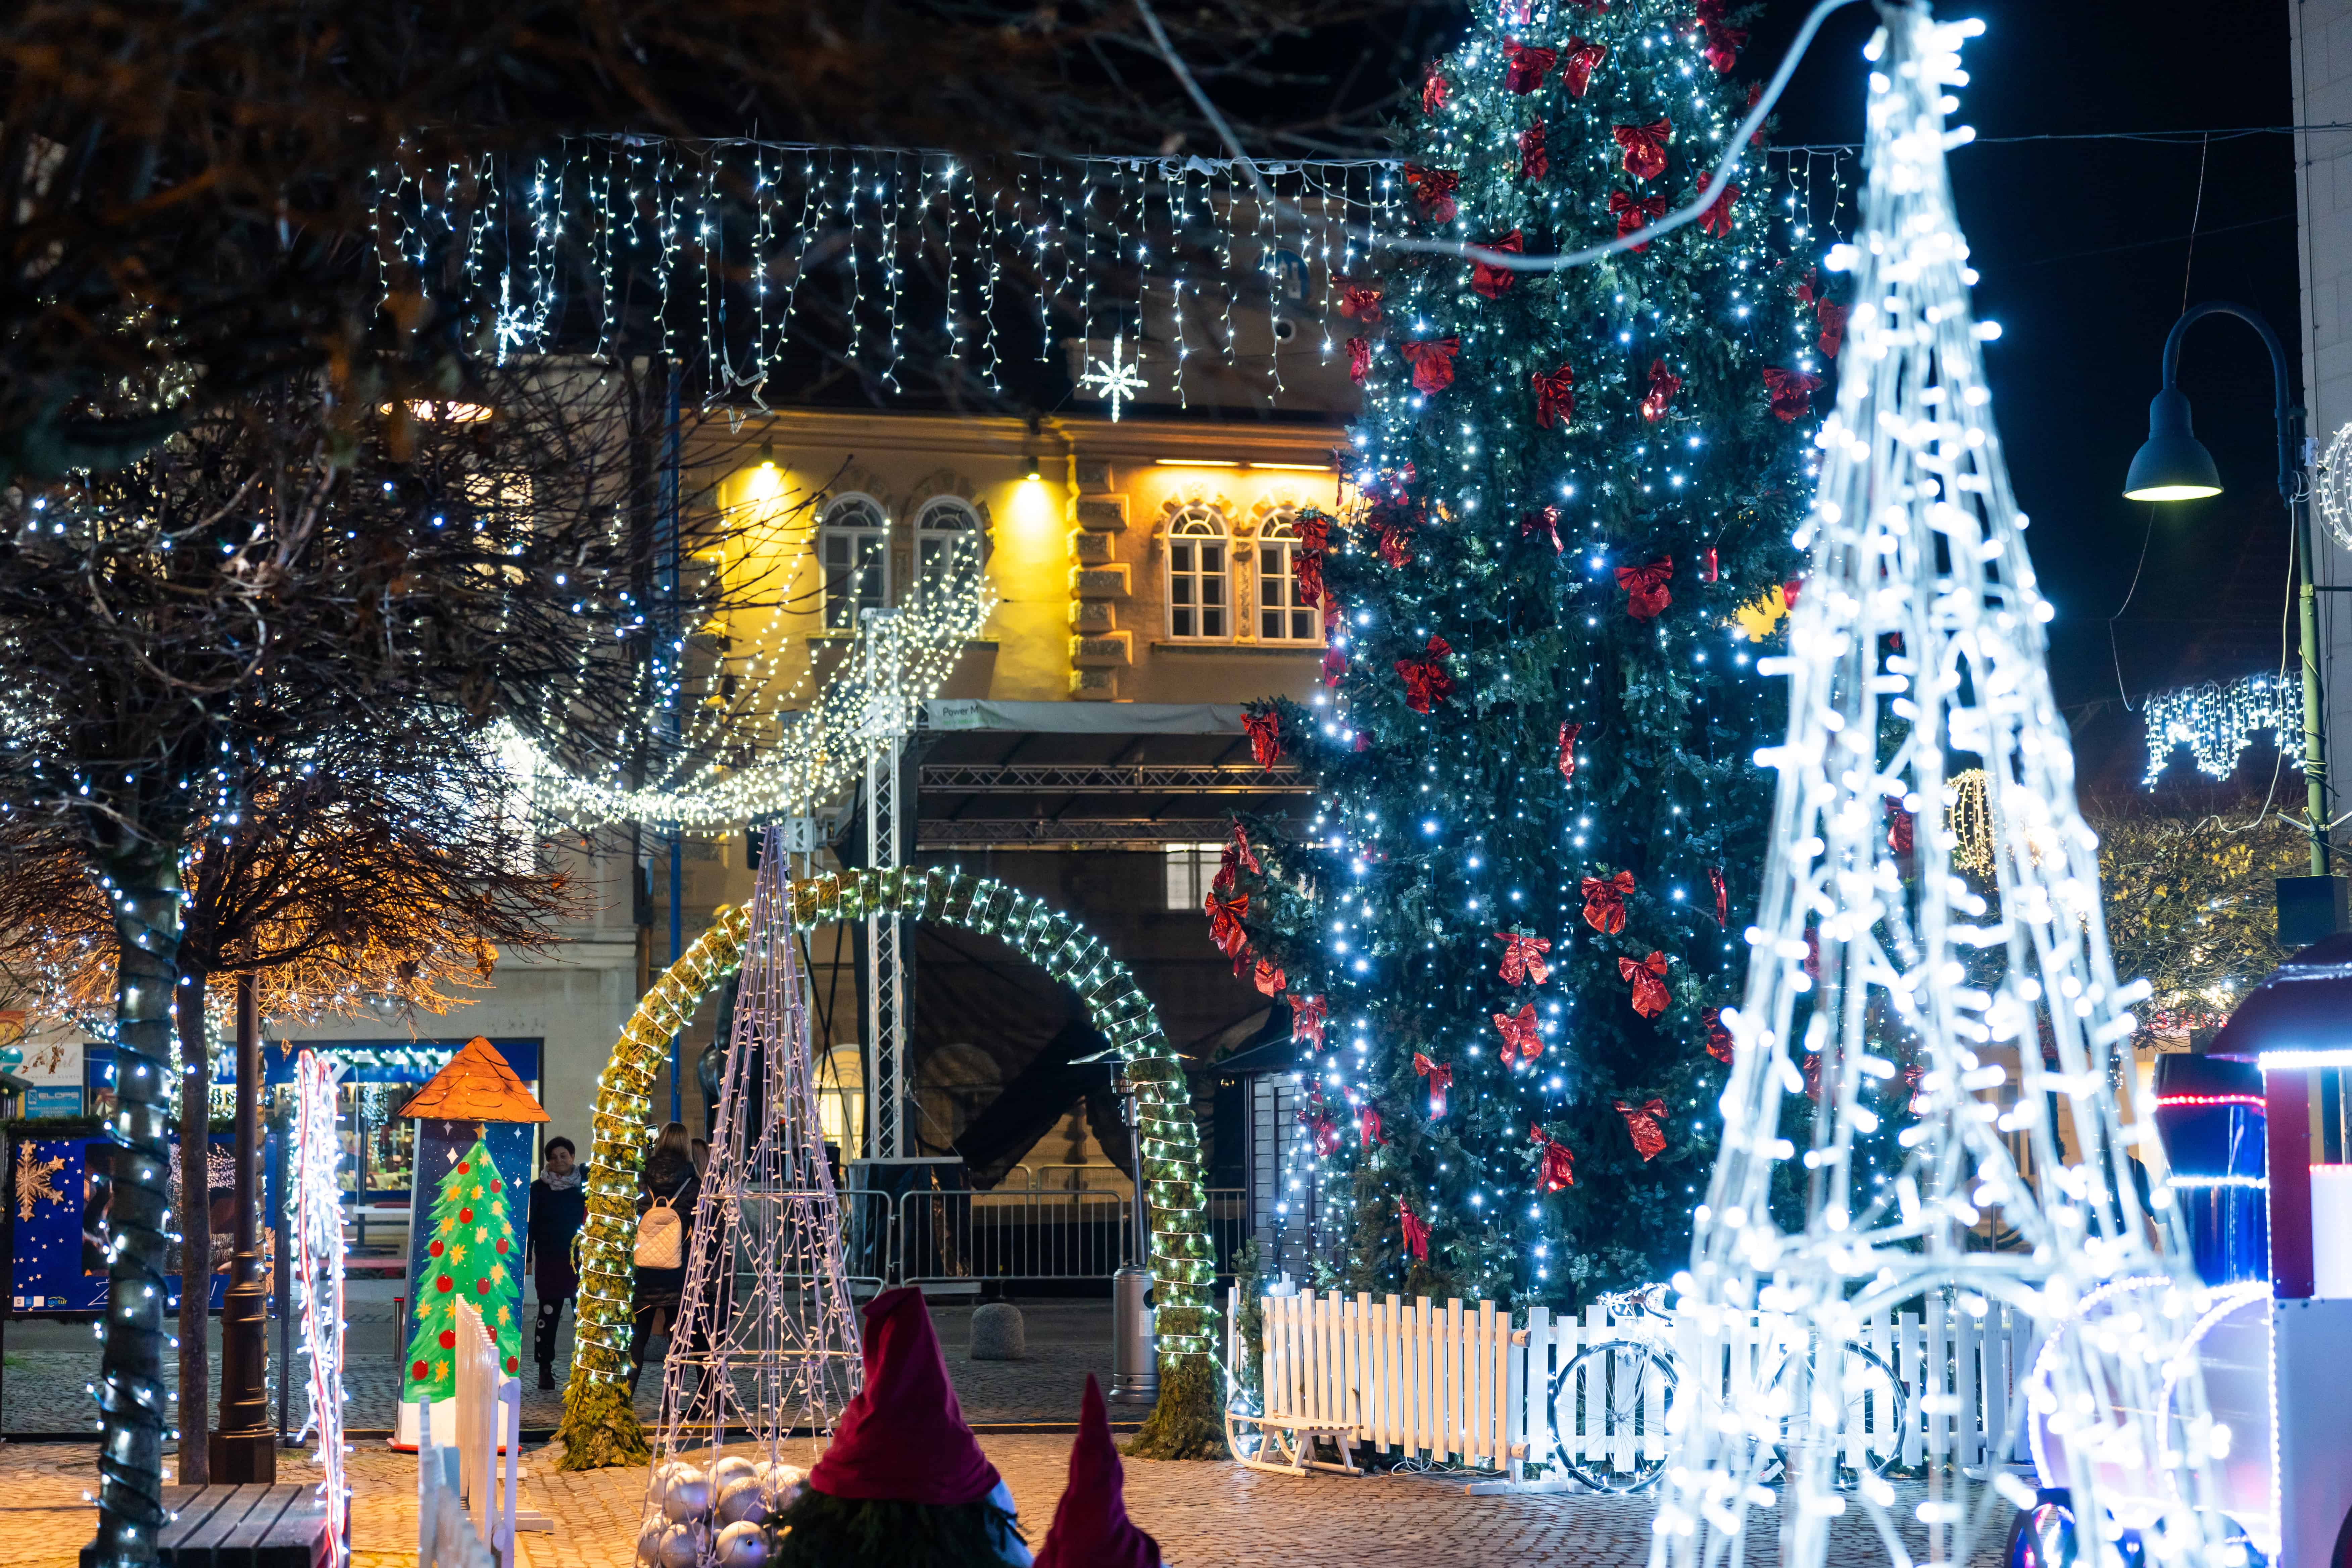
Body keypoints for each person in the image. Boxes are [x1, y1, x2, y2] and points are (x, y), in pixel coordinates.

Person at [629, 1120, 700, 1393]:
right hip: (677, 1271)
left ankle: (624, 1401)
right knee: (677, 1340)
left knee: (638, 1339)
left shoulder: (642, 1178)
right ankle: (671, 1405)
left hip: (643, 1268)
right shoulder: (694, 1183)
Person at [526, 1136, 587, 1390]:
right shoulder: (538, 1189)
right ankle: (545, 1369)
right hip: (550, 1260)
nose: (559, 1161)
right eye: (553, 1157)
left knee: (582, 1317)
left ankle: (585, 1368)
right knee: (547, 1317)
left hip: (580, 1261)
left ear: (572, 1157)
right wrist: (528, 1257)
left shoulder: (585, 1185)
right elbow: (531, 1225)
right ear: (548, 1161)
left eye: (564, 1155)